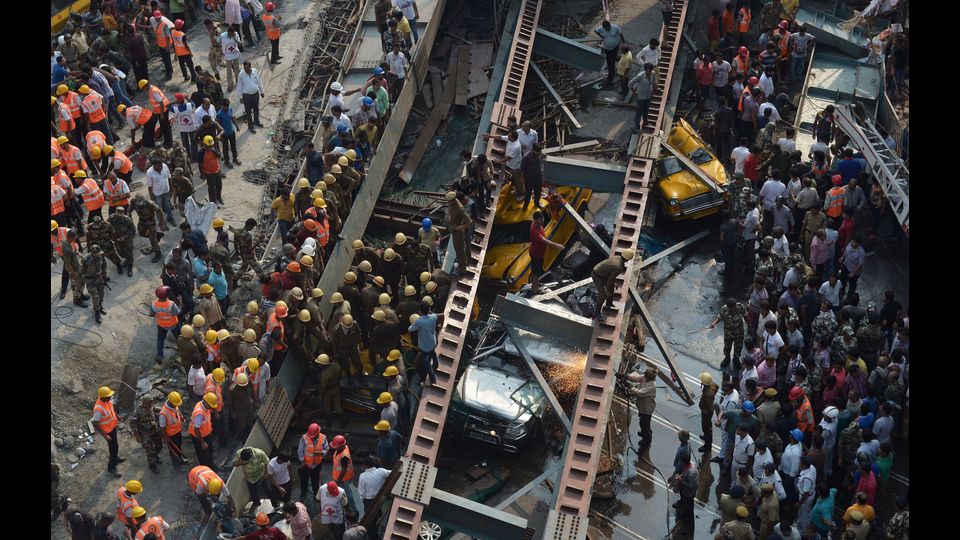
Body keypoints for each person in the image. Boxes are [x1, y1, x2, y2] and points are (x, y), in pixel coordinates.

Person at [528, 210, 565, 292]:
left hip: (540, 253)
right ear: (535, 220)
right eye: (540, 219)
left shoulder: (538, 225)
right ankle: (535, 288)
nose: (543, 221)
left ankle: (534, 284)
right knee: (536, 272)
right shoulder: (534, 230)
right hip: (536, 254)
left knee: (536, 270)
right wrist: (557, 245)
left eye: (543, 218)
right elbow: (544, 241)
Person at [591, 249, 635, 319]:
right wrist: (608, 290)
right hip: (597, 276)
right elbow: (610, 280)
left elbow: (611, 277)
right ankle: (596, 313)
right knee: (602, 295)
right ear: (628, 259)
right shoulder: (619, 267)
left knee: (611, 289)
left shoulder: (617, 257)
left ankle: (609, 303)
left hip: (603, 273)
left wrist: (611, 287)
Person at [625, 367, 658, 450]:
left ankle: (647, 439)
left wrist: (630, 386)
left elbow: (640, 393)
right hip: (642, 406)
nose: (644, 375)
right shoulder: (645, 378)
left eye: (646, 374)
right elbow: (636, 378)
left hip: (647, 408)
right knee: (642, 422)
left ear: (650, 377)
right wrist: (626, 376)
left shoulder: (652, 386)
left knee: (644, 424)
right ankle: (644, 433)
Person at [445, 191, 473, 275]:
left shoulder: (460, 209)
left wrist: (459, 228)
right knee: (457, 249)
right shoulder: (452, 204)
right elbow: (450, 210)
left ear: (453, 200)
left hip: (458, 233)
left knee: (460, 251)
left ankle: (462, 269)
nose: (448, 203)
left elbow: (469, 221)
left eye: (449, 201)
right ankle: (463, 262)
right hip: (454, 229)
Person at [673, 451, 698, 535]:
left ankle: (689, 526)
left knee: (689, 510)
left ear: (684, 462)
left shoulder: (690, 473)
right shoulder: (690, 465)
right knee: (685, 505)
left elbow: (692, 485)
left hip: (688, 494)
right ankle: (683, 512)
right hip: (684, 492)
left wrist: (681, 480)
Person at [594, 19, 625, 86]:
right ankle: (612, 70)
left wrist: (623, 43)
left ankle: (610, 78)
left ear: (610, 25)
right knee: (609, 60)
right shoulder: (601, 28)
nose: (607, 29)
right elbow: (595, 30)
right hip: (607, 48)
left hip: (615, 48)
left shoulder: (615, 27)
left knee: (612, 62)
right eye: (606, 29)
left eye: (608, 28)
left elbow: (621, 35)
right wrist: (602, 36)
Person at [238, 61, 266, 132]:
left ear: (250, 67)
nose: (246, 69)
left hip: (255, 94)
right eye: (244, 67)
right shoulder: (241, 75)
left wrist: (262, 91)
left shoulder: (255, 71)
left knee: (256, 109)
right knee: (248, 111)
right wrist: (241, 97)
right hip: (246, 96)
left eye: (247, 67)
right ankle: (250, 126)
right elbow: (239, 86)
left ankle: (256, 122)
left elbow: (259, 81)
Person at [629, 63, 658, 131]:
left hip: (648, 95)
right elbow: (630, 84)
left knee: (646, 110)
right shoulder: (640, 76)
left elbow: (654, 82)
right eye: (647, 71)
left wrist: (652, 91)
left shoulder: (653, 74)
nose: (649, 72)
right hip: (641, 96)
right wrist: (634, 92)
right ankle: (637, 126)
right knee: (639, 112)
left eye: (650, 71)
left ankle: (645, 122)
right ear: (645, 70)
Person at [217, 99, 241, 166]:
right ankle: (226, 161)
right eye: (225, 106)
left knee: (233, 146)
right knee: (225, 148)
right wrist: (220, 135)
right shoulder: (219, 114)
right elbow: (218, 126)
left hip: (231, 131)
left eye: (228, 105)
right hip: (224, 134)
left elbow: (232, 118)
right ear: (222, 105)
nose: (227, 107)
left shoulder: (230, 109)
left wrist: (236, 126)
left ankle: (235, 158)